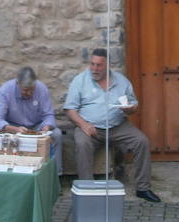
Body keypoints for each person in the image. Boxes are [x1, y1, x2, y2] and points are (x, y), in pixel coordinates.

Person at [63, 48, 161, 202]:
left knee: (141, 141)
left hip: (117, 126)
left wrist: (130, 109)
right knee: (82, 144)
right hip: (89, 126)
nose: (94, 69)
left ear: (107, 65)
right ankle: (87, 191)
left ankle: (143, 188)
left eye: (99, 65)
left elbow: (133, 104)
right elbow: (69, 109)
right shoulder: (80, 80)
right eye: (92, 64)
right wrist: (83, 124)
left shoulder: (121, 81)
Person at [0, 67, 63, 174]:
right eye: (25, 89)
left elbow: (48, 115)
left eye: (32, 89)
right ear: (17, 83)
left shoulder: (42, 88)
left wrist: (46, 127)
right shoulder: (5, 90)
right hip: (13, 126)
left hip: (36, 127)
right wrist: (13, 129)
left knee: (56, 134)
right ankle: (5, 172)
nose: (29, 93)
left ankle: (56, 176)